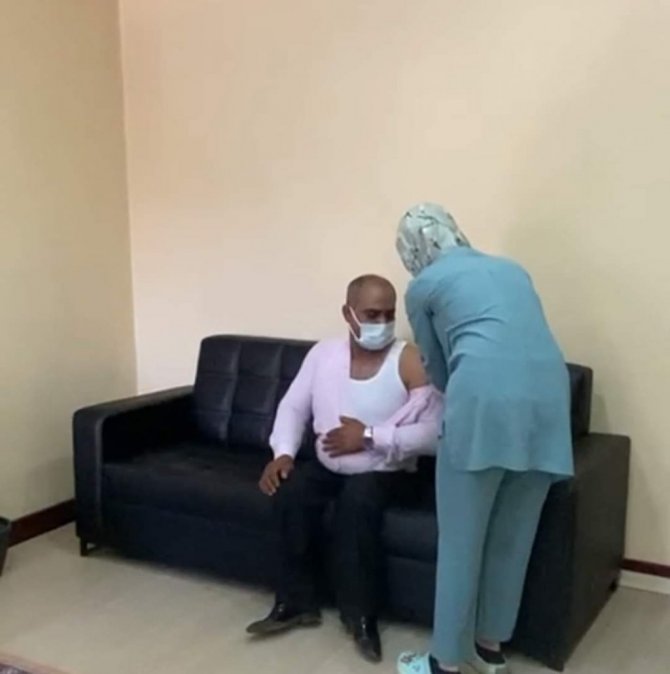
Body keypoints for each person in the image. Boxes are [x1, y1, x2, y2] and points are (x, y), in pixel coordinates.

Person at [394, 204, 574, 674]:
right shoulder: (512, 269)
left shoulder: (424, 285)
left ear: (412, 249)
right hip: (550, 400)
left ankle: (444, 663)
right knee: (513, 537)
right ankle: (489, 650)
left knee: (461, 542)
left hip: (484, 403)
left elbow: (436, 367)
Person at [246, 274, 442, 663]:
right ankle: (296, 602)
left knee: (357, 503)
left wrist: (369, 436)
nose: (382, 323)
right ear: (348, 314)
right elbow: (293, 406)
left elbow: (437, 432)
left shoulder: (409, 359)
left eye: (388, 314)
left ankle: (361, 617)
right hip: (328, 464)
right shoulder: (323, 355)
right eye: (372, 314)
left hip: (388, 470)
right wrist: (282, 453)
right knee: (290, 492)